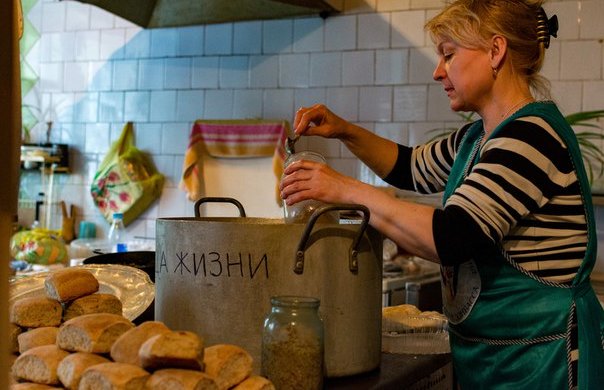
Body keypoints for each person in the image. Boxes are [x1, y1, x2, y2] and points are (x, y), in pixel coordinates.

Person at [280, 0, 604, 388]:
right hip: (497, 357)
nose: (438, 72)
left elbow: (452, 237)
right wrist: (344, 130)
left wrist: (342, 188)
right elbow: (408, 167)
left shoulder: (529, 136)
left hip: (543, 361)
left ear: (495, 51)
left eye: (448, 55)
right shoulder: (478, 138)